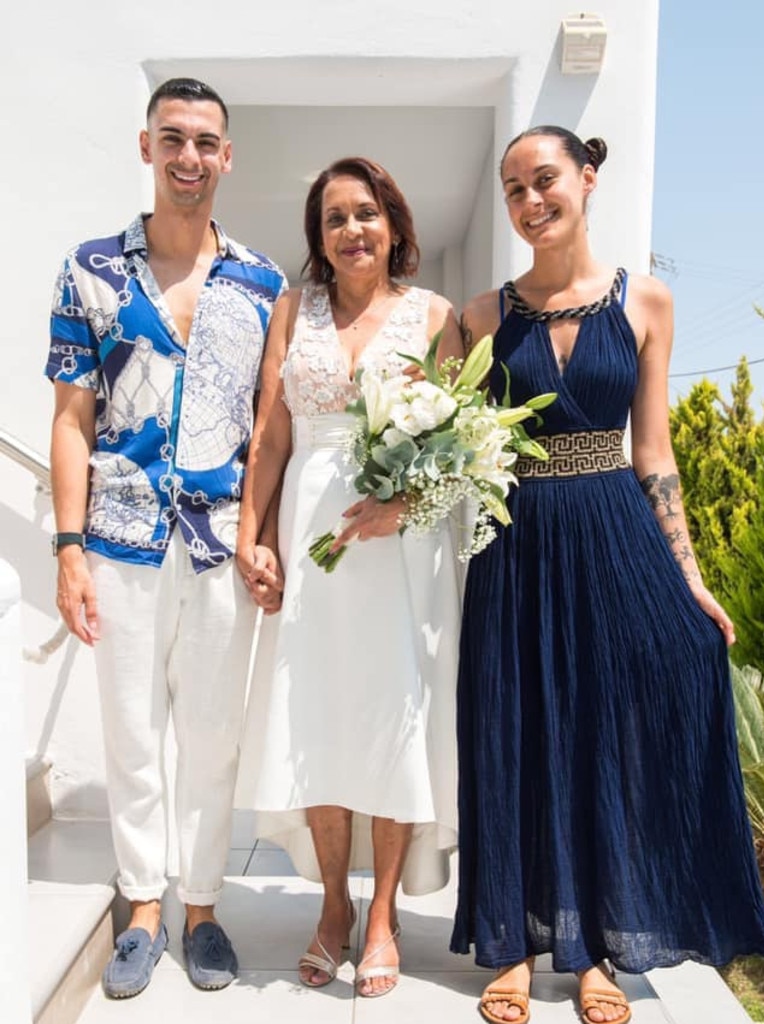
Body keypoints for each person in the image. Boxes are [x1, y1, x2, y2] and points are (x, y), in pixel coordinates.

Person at [449, 125, 764, 1024]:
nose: (528, 201)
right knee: (513, 731)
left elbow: (655, 454)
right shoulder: (479, 317)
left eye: (543, 179)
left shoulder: (646, 303)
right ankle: (511, 945)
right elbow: (448, 441)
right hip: (515, 547)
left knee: (607, 738)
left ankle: (598, 953)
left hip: (613, 533)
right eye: (513, 189)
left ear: (586, 180)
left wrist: (690, 578)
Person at [45, 77, 286, 999]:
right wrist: (68, 547)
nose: (190, 158)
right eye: (173, 139)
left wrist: (260, 535)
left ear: (228, 157)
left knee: (214, 735)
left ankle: (203, 907)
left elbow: (269, 432)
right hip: (118, 536)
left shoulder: (262, 282)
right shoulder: (89, 269)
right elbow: (69, 419)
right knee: (131, 733)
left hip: (221, 539)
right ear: (147, 148)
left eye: (207, 143)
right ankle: (143, 910)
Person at [234, 156, 463, 998]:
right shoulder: (293, 311)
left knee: (394, 713)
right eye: (333, 218)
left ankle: (383, 915)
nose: (351, 229)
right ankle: (332, 905)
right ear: (318, 239)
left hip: (402, 546)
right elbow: (270, 435)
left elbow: (459, 450)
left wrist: (406, 504)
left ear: (394, 225)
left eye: (365, 213)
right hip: (311, 532)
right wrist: (250, 536)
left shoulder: (435, 316)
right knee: (320, 714)